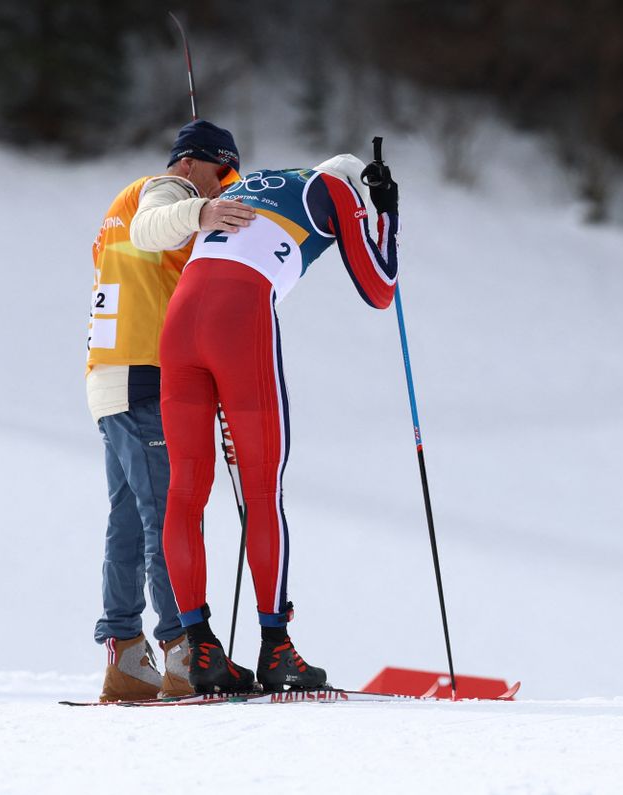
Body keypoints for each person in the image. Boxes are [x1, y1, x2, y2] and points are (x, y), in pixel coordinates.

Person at [133, 153, 400, 693]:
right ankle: (277, 649)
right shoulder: (337, 190)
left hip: (180, 321)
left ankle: (200, 650)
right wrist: (387, 214)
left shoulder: (251, 182)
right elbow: (380, 287)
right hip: (241, 318)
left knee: (185, 489)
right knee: (261, 490)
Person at [87, 119, 256, 702]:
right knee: (171, 519)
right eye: (219, 173)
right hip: (145, 377)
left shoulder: (122, 206)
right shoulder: (168, 192)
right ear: (189, 163)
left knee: (130, 522)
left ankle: (127, 659)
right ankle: (185, 653)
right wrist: (201, 213)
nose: (222, 188)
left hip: (111, 377)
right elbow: (153, 224)